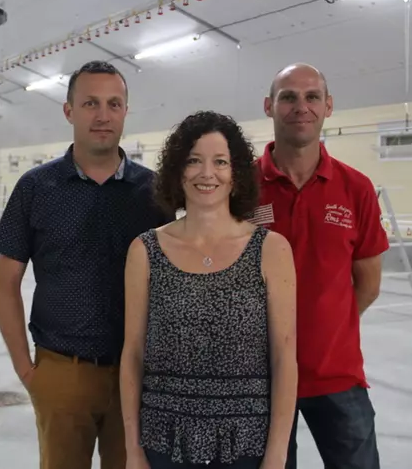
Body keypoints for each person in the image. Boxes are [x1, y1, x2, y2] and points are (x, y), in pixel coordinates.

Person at [0, 60, 174, 469]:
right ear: (69, 110)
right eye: (90, 103)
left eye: (114, 103)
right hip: (63, 371)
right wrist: (27, 370)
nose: (103, 115)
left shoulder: (154, 191)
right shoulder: (37, 187)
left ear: (126, 111)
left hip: (139, 372)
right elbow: (6, 283)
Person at [120, 110, 298, 469]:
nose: (207, 173)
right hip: (165, 440)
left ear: (236, 174)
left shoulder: (271, 249)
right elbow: (133, 355)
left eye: (220, 162)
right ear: (177, 170)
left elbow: (284, 359)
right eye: (194, 161)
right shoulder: (145, 250)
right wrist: (134, 451)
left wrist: (277, 455)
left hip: (246, 443)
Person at [256, 63, 390, 469]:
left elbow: (367, 283)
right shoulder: (240, 188)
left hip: (337, 375)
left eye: (312, 96)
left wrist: (326, 326)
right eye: (289, 97)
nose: (302, 106)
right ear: (269, 106)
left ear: (328, 106)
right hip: (258, 377)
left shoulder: (356, 188)